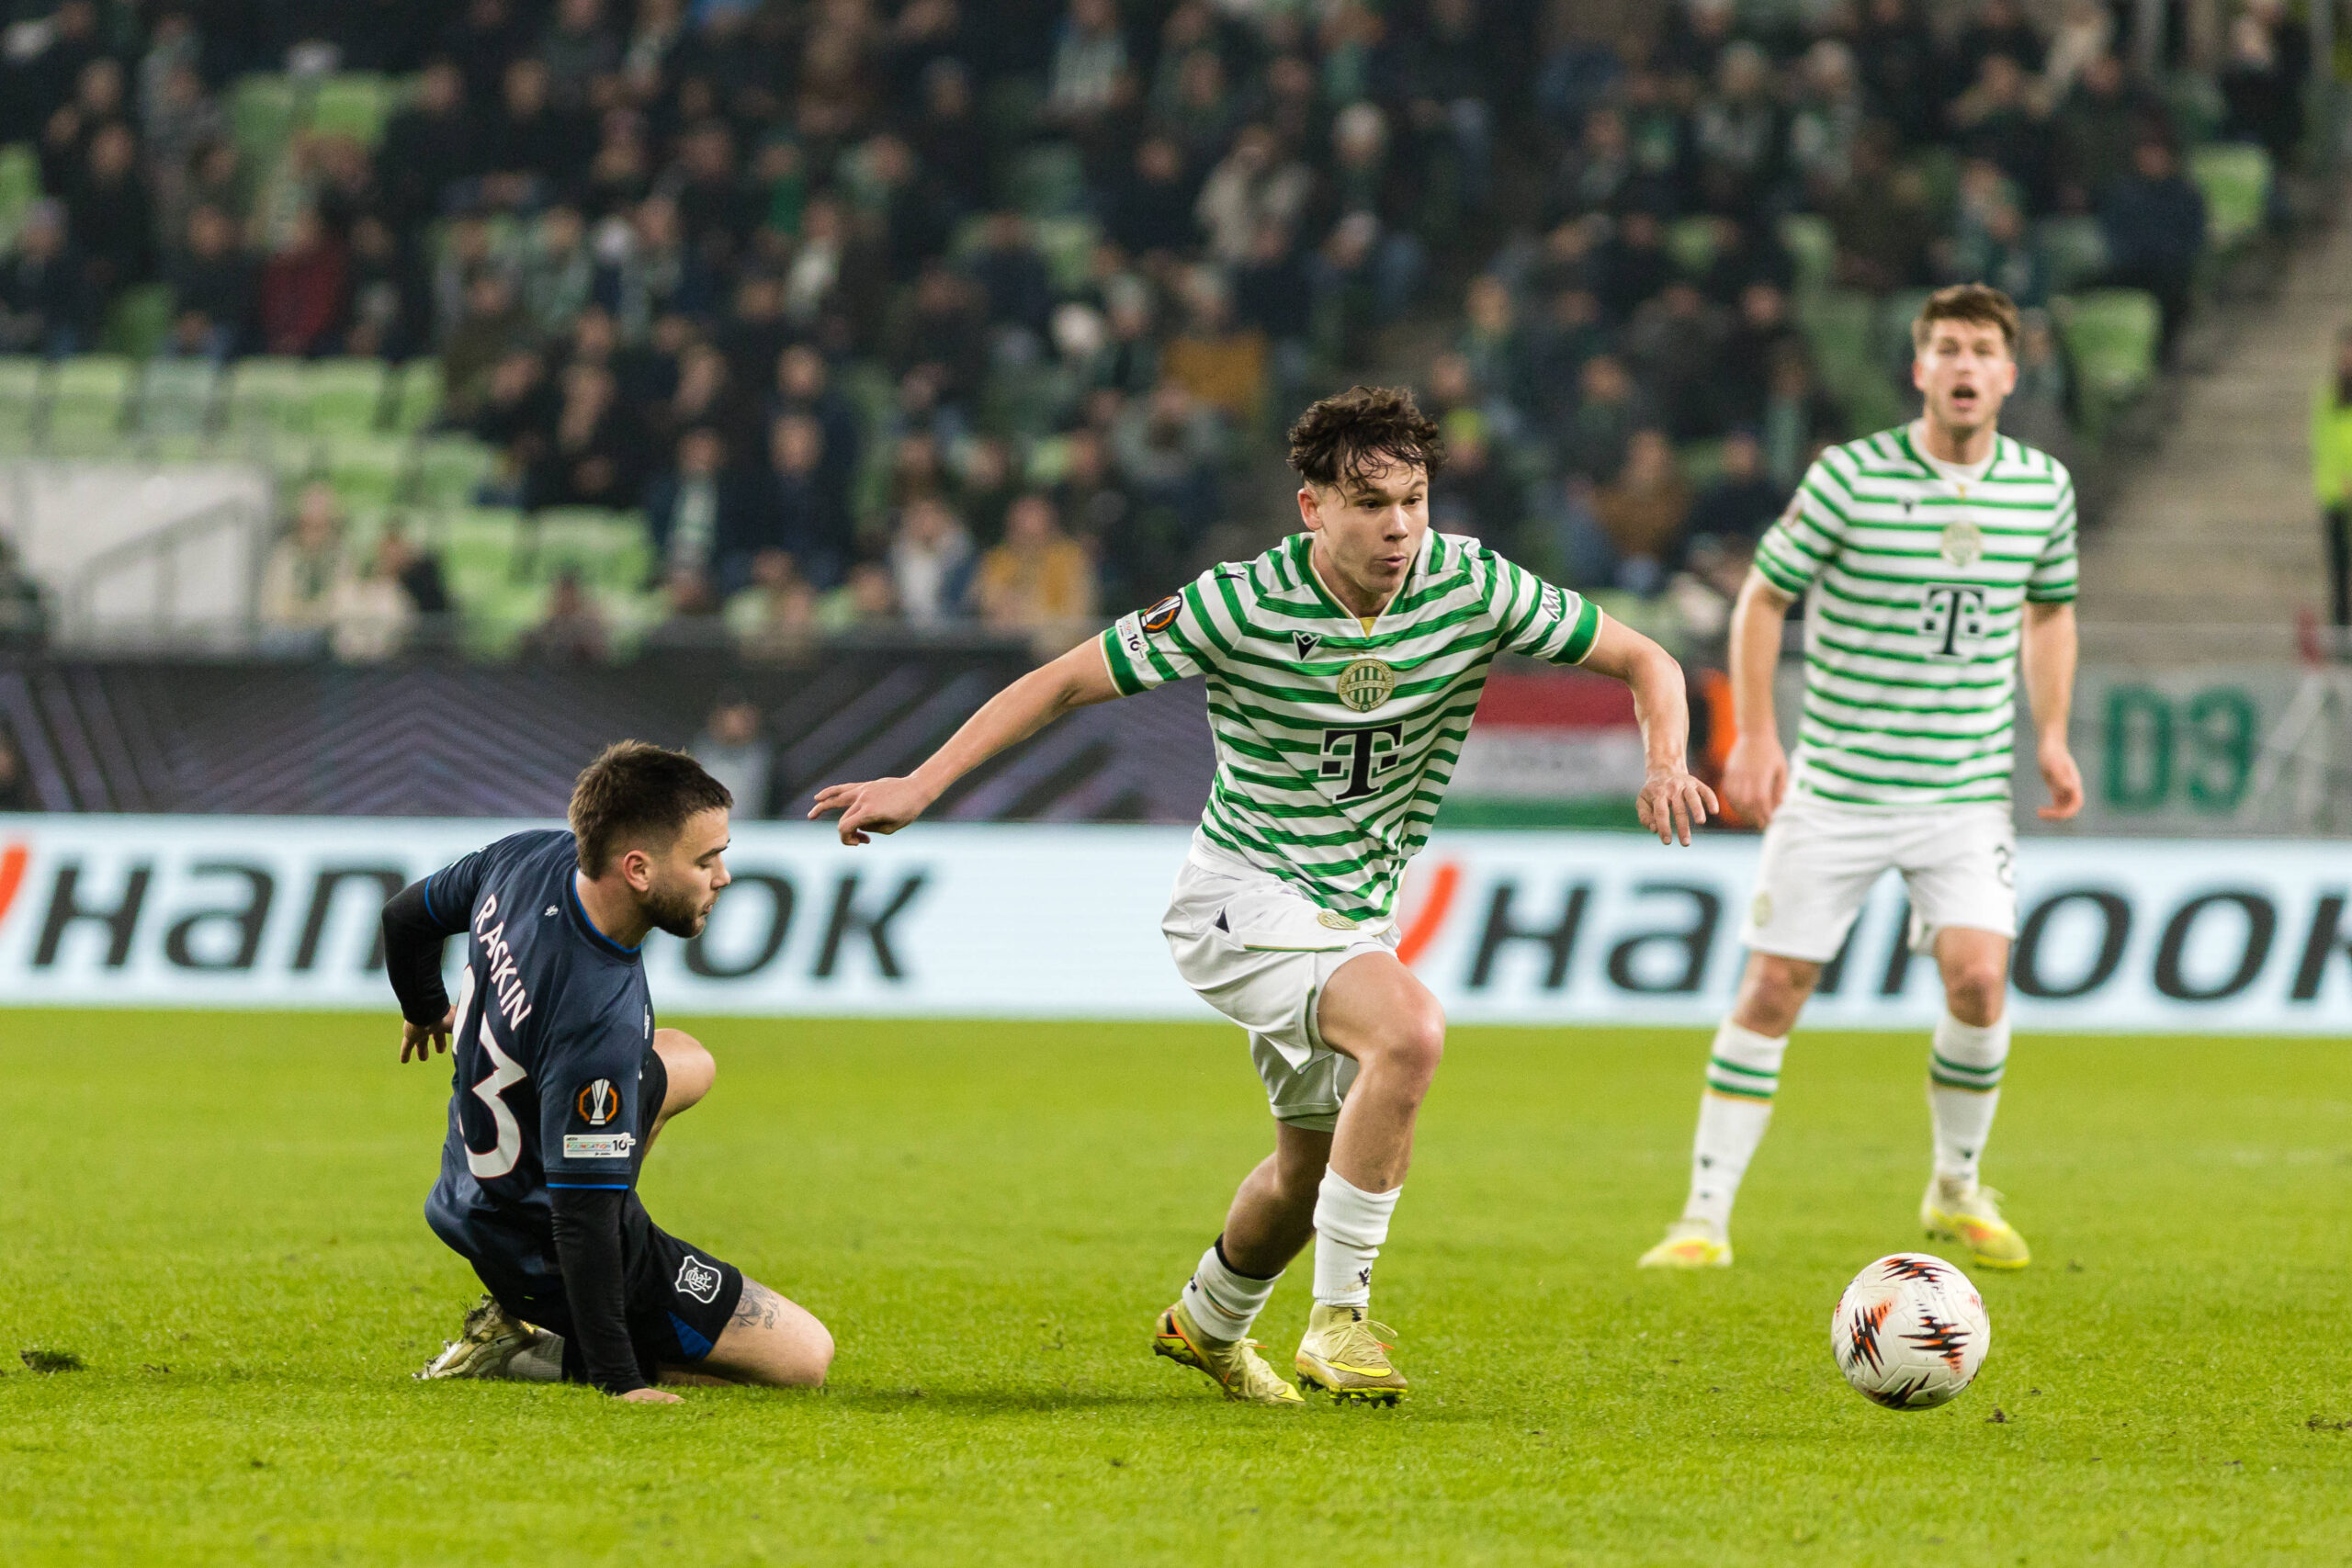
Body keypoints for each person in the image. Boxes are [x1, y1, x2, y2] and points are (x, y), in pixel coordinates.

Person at [812, 387, 1713, 1406]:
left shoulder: (1471, 584)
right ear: (1310, 508)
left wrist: (1663, 763)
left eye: (1413, 500)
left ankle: (1206, 1322)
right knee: (1409, 1032)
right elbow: (1061, 680)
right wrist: (918, 785)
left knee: (1306, 1172)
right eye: (1370, 503)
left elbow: (1647, 659)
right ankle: (1340, 1323)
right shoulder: (1238, 602)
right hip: (1240, 900)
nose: (1399, 528)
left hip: (1351, 912)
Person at [1637, 285, 2084, 1275]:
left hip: (1965, 793)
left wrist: (2050, 733)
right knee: (1773, 988)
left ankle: (1956, 1188)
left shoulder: (2040, 489)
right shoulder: (1849, 476)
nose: (1964, 366)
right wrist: (1754, 735)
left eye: (1982, 351)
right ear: (1919, 370)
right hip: (1837, 787)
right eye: (1946, 349)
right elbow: (1762, 597)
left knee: (1977, 976)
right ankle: (1701, 1217)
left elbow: (2049, 612)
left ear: (2009, 374)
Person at [387, 742, 832, 1397]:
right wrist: (619, 1380)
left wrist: (425, 1007)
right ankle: (525, 1348)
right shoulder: (596, 1021)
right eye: (706, 859)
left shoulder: (526, 858)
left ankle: (581, 1286)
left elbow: (404, 914)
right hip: (535, 1244)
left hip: (472, 1187)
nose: (724, 876)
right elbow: (580, 1219)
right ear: (638, 869)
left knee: (689, 1060)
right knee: (805, 1357)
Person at [2311, 326, 2352, 630]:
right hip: (2336, 497)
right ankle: (2342, 642)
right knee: (2339, 576)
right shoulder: (2329, 398)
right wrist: (2338, 482)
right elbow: (2324, 445)